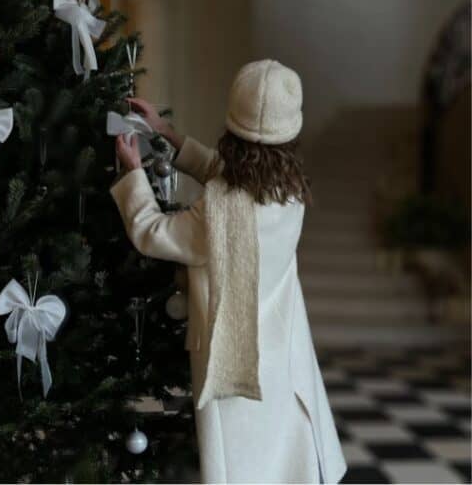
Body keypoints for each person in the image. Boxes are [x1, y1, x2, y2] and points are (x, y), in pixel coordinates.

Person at [110, 60, 346, 484]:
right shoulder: (289, 189)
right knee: (286, 454)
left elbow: (152, 232)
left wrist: (132, 173)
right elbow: (226, 176)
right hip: (281, 353)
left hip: (231, 356)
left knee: (241, 464)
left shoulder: (218, 210)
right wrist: (166, 133)